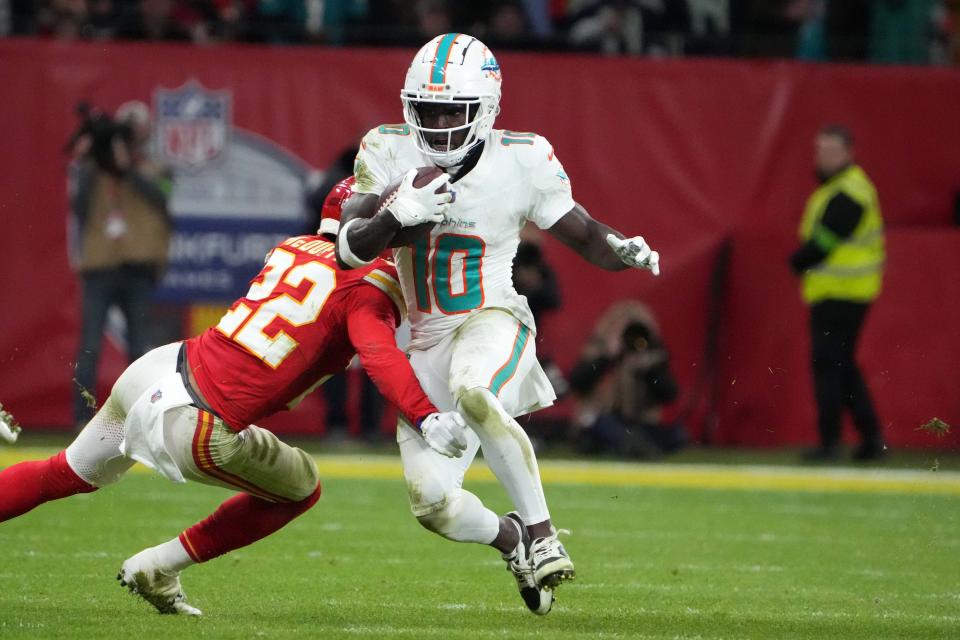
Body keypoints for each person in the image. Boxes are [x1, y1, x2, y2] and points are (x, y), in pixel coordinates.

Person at [0, 206, 468, 615]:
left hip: (160, 367)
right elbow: (380, 356)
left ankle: (158, 569)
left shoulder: (297, 245)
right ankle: (159, 567)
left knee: (61, 473)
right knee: (300, 488)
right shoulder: (371, 287)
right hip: (197, 418)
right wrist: (425, 414)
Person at [336, 33, 661, 615]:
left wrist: (624, 248)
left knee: (476, 392)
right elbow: (349, 248)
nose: (435, 124)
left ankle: (542, 535)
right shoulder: (387, 148)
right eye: (426, 109)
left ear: (485, 110)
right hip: (424, 340)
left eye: (450, 111)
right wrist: (392, 214)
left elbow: (584, 233)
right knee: (431, 503)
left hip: (492, 317)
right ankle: (510, 539)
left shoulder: (522, 156)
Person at [68, 100, 172, 429]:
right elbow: (78, 206)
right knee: (89, 344)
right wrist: (89, 160)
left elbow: (165, 197)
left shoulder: (157, 165)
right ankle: (81, 418)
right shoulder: (94, 166)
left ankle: (138, 419)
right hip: (101, 264)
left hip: (139, 265)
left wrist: (128, 169)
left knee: (139, 346)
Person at [790, 124, 885, 462]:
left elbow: (828, 239)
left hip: (842, 292)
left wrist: (798, 261)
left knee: (829, 365)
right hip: (841, 291)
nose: (822, 158)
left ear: (848, 153)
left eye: (829, 151)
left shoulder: (850, 191)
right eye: (819, 151)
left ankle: (831, 442)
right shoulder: (840, 188)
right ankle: (871, 438)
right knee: (841, 366)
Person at [569, 301, 683, 458]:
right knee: (602, 426)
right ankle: (633, 446)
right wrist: (607, 358)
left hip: (639, 425)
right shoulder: (597, 352)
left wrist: (650, 372)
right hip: (606, 420)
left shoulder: (653, 357)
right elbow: (577, 382)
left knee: (678, 434)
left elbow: (670, 394)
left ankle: (632, 446)